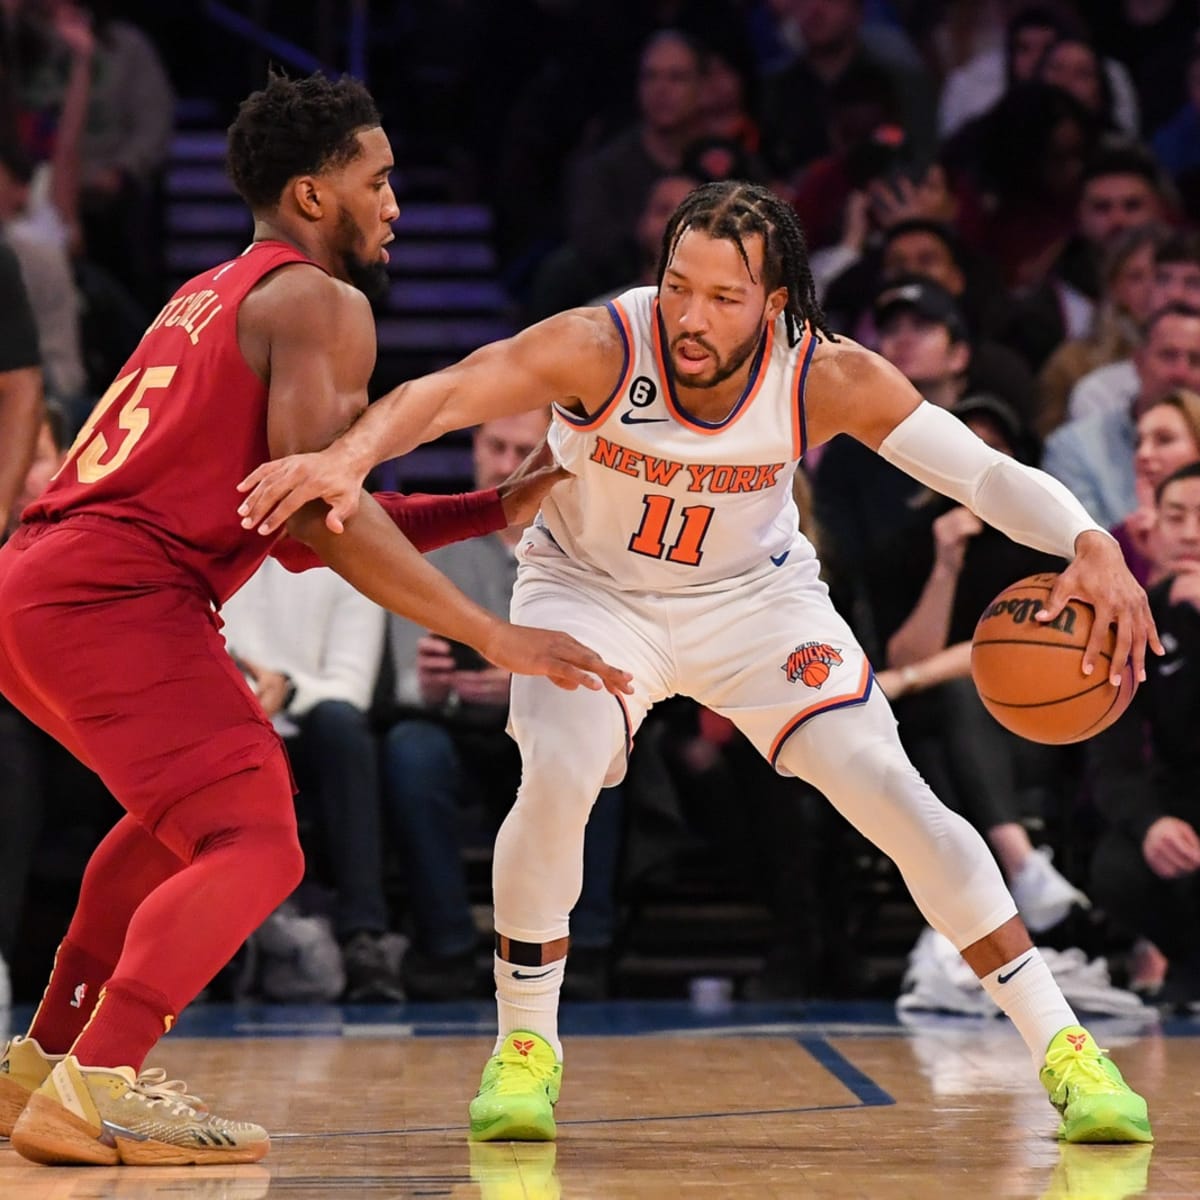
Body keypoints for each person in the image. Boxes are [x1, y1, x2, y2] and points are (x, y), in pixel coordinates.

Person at [238, 179, 1159, 1148]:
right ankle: (524, 1048)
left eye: (724, 298)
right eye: (679, 286)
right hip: (590, 591)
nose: (690, 315)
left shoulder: (822, 375)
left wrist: (1086, 538)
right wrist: (348, 456)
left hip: (754, 604)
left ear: (775, 303)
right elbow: (449, 391)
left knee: (893, 792)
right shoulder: (602, 344)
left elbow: (977, 472)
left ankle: (1063, 1047)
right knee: (557, 776)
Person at [0, 71, 629, 1169]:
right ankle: (100, 1079)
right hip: (118, 595)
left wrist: (491, 503)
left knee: (176, 825)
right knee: (259, 843)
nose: (396, 205)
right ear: (310, 195)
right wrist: (493, 634)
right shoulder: (325, 304)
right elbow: (327, 529)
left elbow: (298, 521)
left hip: (35, 587)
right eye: (377, 181)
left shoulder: (213, 289)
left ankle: (42, 1059)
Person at [1089, 460, 1200, 1012]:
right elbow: (1111, 761)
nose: (1191, 531)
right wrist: (1151, 824)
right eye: (1176, 515)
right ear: (1151, 529)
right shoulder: (1131, 621)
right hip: (1180, 794)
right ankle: (1191, 965)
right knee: (1119, 866)